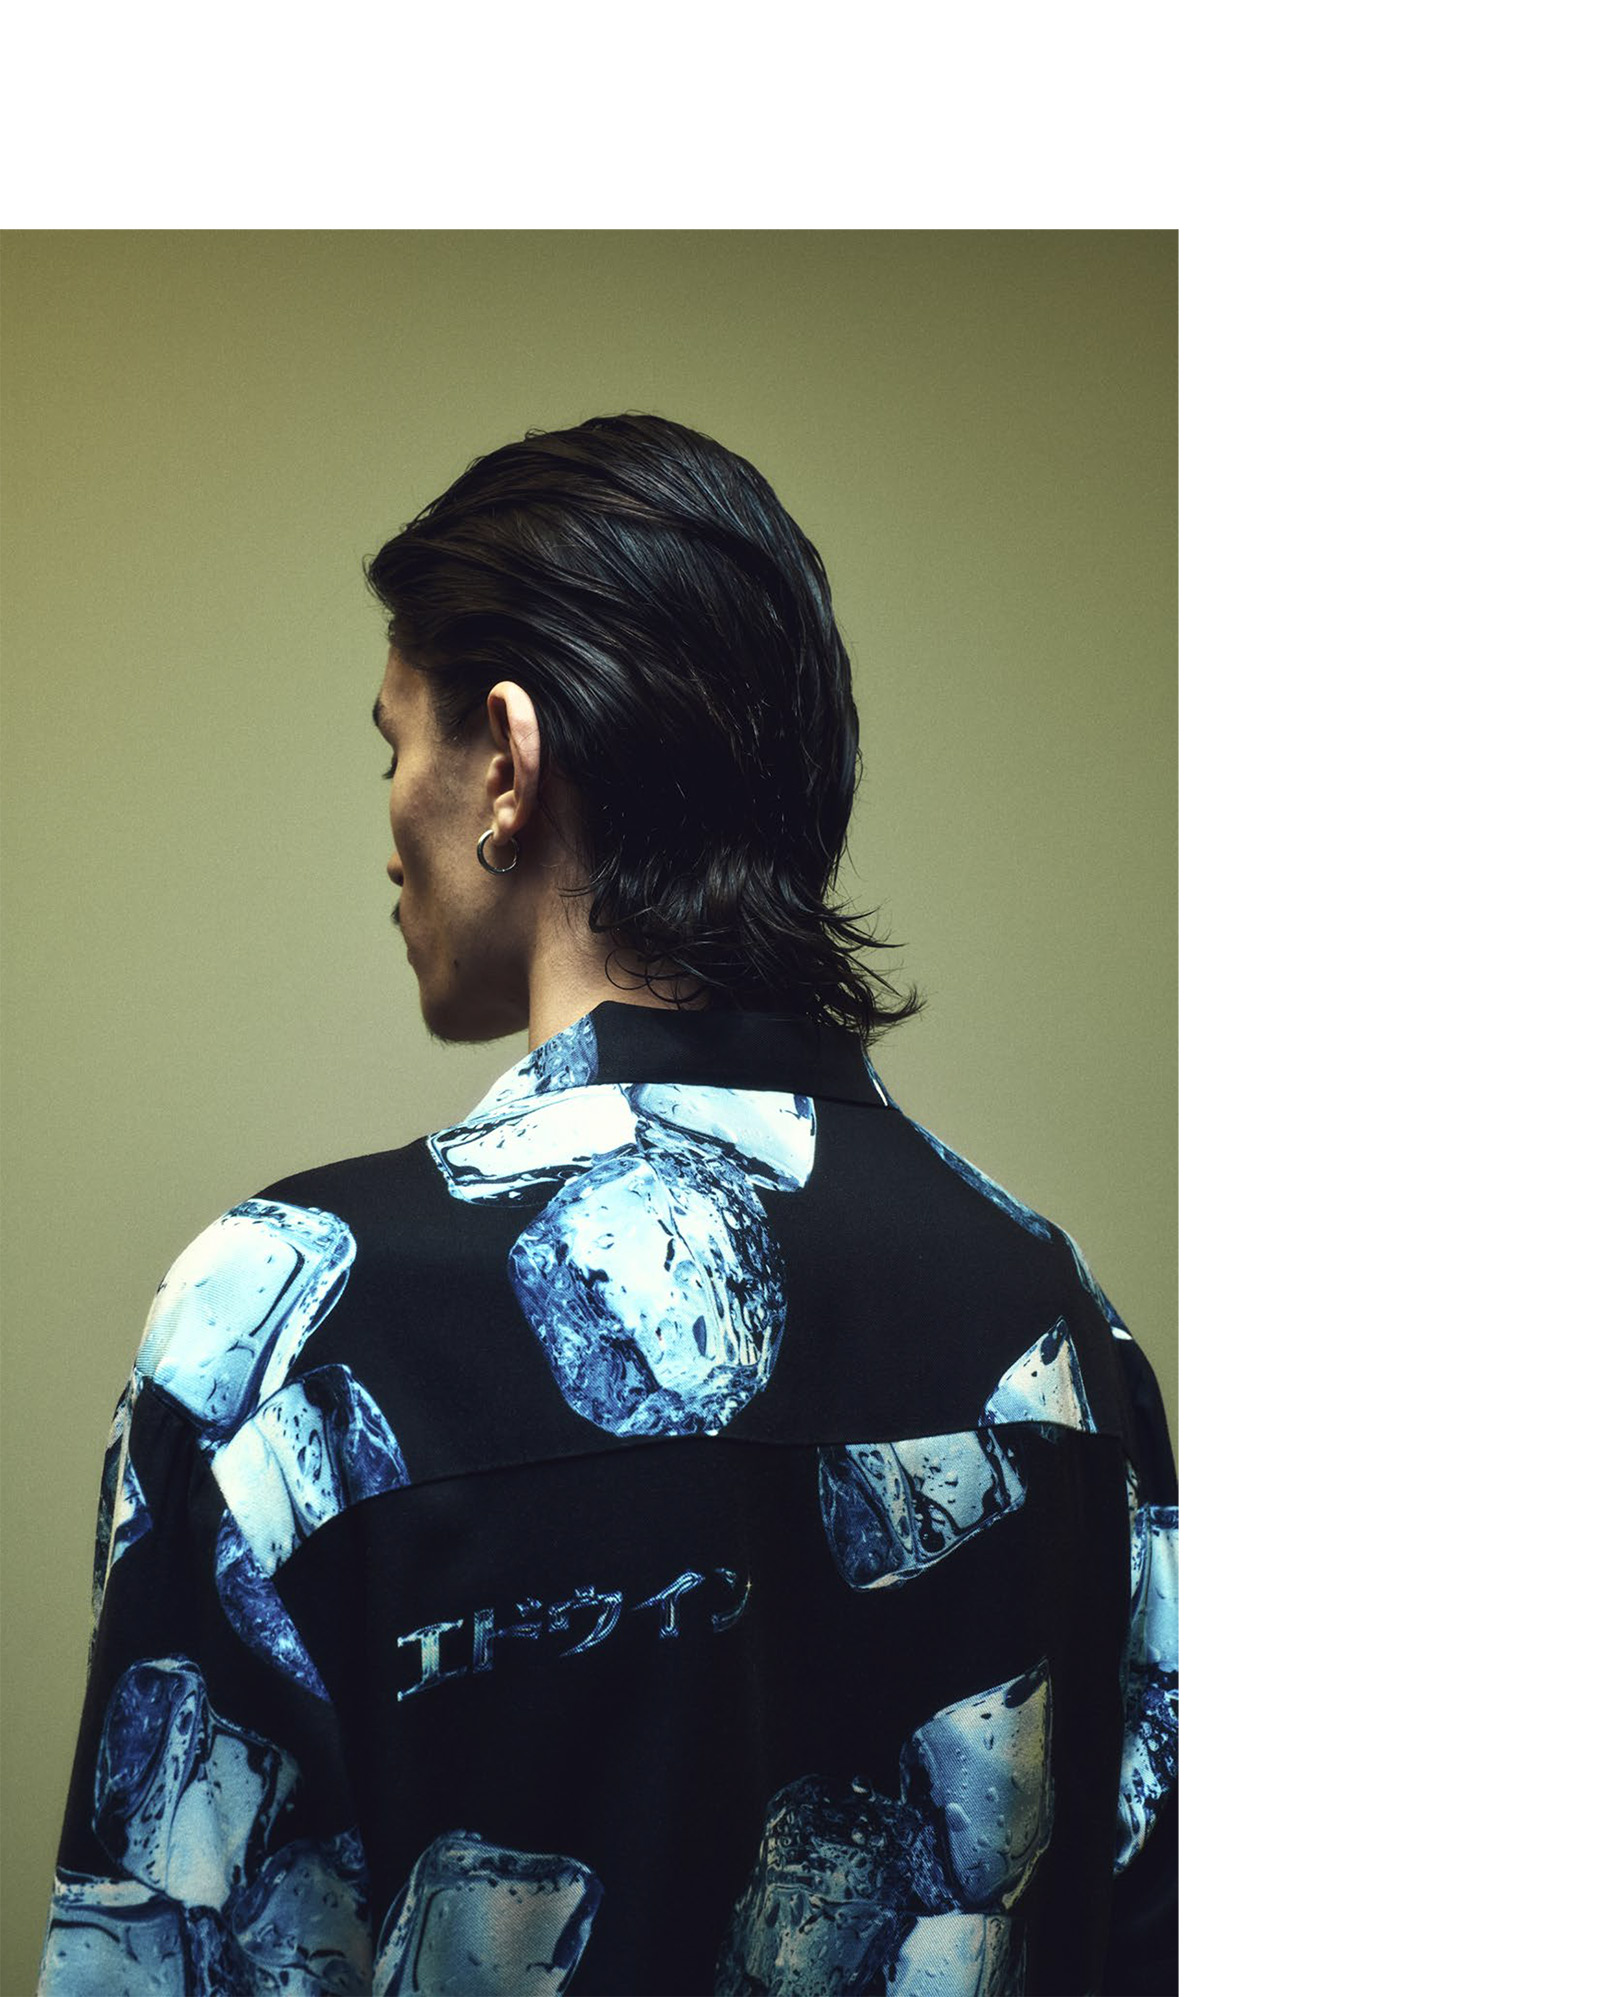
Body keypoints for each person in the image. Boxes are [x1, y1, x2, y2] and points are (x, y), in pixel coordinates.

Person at [37, 414, 1177, 1995]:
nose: (389, 823)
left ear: (508, 761)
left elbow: (165, 1943)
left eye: (392, 745)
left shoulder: (288, 1324)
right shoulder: (1054, 1330)